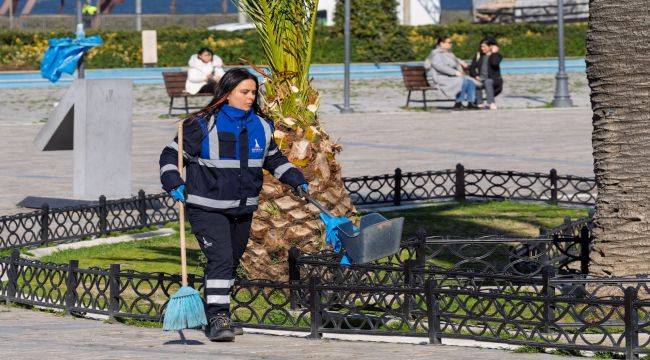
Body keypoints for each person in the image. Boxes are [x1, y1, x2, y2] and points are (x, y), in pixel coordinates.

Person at [159, 68, 308, 342]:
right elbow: (171, 155)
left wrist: (296, 179)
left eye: (253, 92)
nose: (250, 97)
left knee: (230, 262)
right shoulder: (202, 124)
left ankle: (213, 311)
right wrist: (172, 180)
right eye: (244, 92)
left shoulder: (262, 126)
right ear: (227, 94)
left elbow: (273, 160)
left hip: (242, 208)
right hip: (206, 207)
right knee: (221, 259)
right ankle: (218, 317)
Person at [424, 37, 479, 110]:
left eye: (451, 42)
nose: (451, 44)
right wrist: (455, 72)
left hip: (448, 77)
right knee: (463, 81)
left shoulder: (448, 53)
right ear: (441, 43)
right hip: (439, 78)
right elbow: (440, 67)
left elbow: (454, 59)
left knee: (470, 81)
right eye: (449, 42)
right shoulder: (435, 54)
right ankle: (458, 102)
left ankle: (471, 103)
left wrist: (461, 62)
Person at [469, 37, 503, 110]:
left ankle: (491, 103)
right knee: (476, 82)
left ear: (491, 46)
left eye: (484, 46)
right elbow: (472, 68)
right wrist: (475, 76)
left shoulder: (497, 56)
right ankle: (479, 103)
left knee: (488, 81)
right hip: (481, 79)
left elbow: (494, 63)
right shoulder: (478, 56)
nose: (482, 48)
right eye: (481, 46)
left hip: (494, 80)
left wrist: (494, 53)